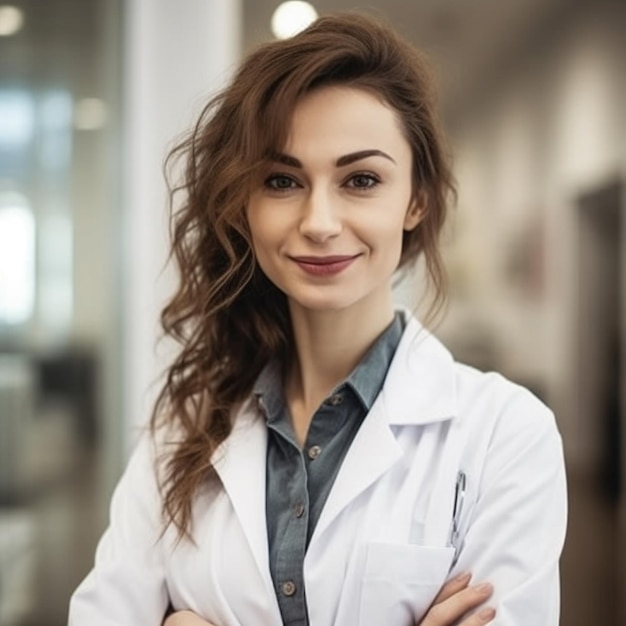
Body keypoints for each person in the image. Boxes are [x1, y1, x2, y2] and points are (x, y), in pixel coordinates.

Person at [68, 12, 567, 626]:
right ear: (244, 205)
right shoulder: (183, 426)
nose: (320, 221)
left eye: (361, 179)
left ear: (417, 200)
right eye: (282, 180)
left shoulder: (506, 434)